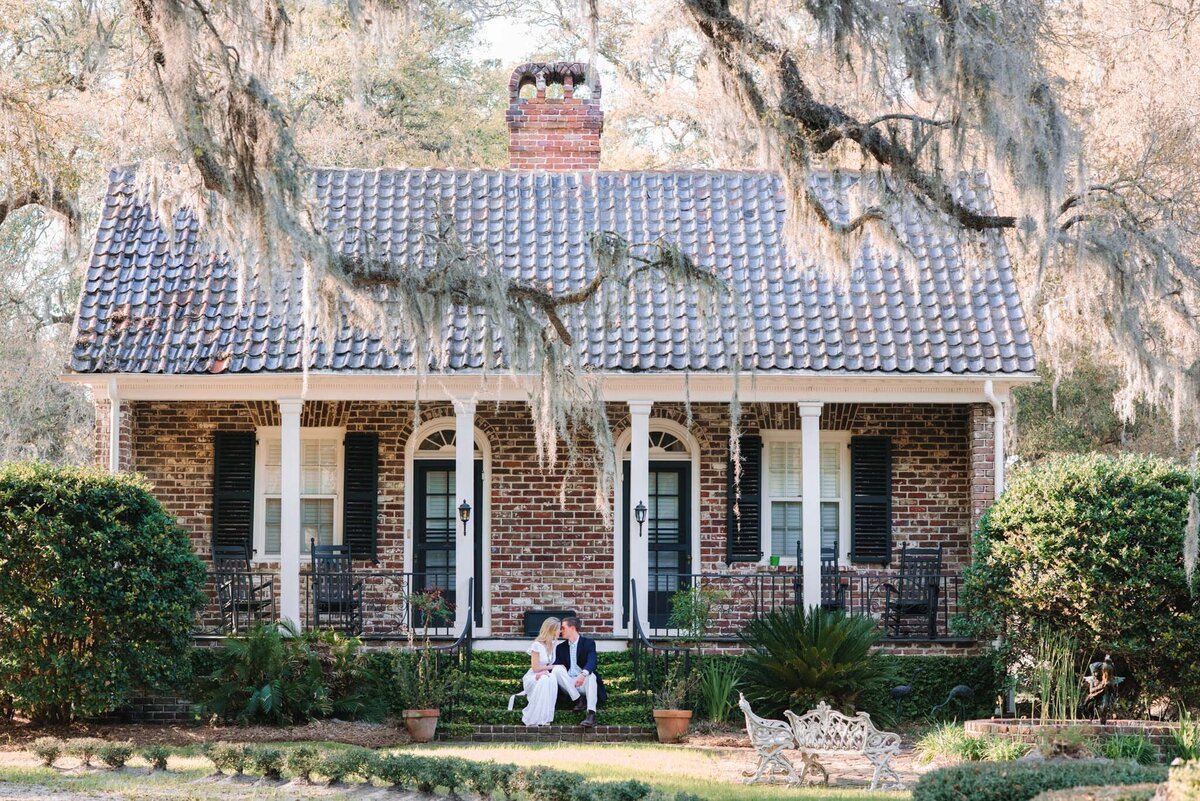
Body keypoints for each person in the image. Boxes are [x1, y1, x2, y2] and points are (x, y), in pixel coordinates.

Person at [509, 616, 566, 727]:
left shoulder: (555, 645)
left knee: (550, 678)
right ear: (552, 630)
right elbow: (535, 668)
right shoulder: (537, 645)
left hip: (546, 674)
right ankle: (534, 717)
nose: (561, 631)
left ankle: (545, 717)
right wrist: (554, 667)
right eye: (559, 629)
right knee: (544, 679)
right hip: (534, 676)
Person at [554, 616, 607, 727]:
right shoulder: (560, 647)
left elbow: (592, 661)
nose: (560, 631)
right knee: (557, 669)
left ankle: (591, 714)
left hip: (583, 683)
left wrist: (583, 675)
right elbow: (556, 665)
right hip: (568, 684)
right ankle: (578, 700)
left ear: (572, 628)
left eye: (563, 628)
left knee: (591, 676)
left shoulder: (588, 643)